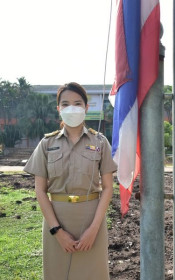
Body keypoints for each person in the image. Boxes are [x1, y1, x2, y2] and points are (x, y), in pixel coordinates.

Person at [23, 82, 117, 280]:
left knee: (93, 274)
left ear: (86, 108)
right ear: (58, 109)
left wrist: (94, 229)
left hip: (92, 219)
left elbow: (108, 188)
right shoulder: (47, 144)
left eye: (77, 103)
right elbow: (40, 191)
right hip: (57, 220)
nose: (71, 108)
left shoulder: (100, 142)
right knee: (57, 274)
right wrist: (57, 231)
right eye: (65, 104)